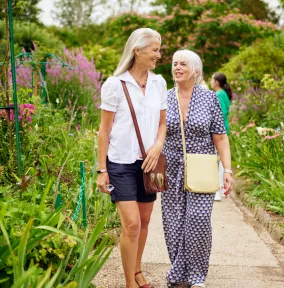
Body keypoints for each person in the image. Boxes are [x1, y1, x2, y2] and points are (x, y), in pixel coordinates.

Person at [96, 28, 167, 288]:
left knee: (146, 220)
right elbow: (104, 130)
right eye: (155, 50)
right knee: (132, 224)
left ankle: (137, 270)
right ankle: (129, 283)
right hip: (120, 163)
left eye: (159, 49)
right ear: (137, 51)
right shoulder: (115, 84)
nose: (159, 55)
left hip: (148, 164)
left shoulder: (159, 83)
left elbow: (162, 124)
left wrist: (158, 146)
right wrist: (101, 169)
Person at [161, 50, 233, 288]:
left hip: (201, 165)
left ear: (196, 70)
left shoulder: (210, 99)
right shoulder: (164, 98)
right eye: (174, 64)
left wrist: (228, 170)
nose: (177, 67)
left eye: (183, 64)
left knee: (198, 219)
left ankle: (197, 275)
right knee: (173, 221)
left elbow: (221, 138)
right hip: (170, 167)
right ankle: (180, 273)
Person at [210, 72, 232, 201]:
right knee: (222, 161)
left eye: (212, 80)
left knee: (217, 161)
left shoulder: (218, 94)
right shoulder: (223, 94)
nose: (210, 82)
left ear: (216, 82)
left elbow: (221, 113)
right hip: (224, 128)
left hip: (218, 131)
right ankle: (223, 189)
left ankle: (218, 190)